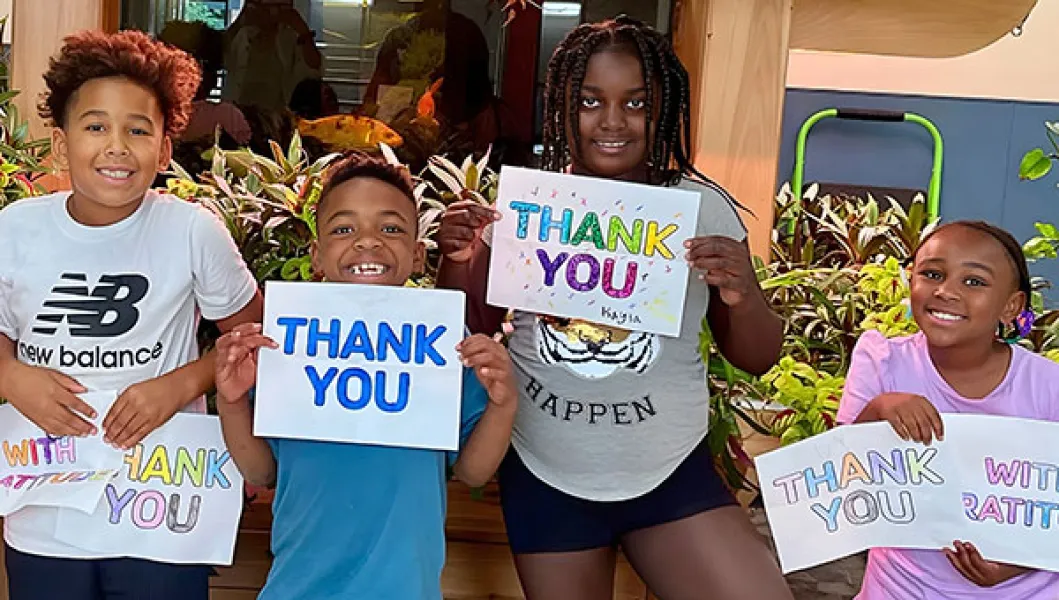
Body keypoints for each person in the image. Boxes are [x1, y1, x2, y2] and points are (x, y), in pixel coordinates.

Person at [434, 16, 795, 600]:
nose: (612, 120)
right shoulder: (529, 209)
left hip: (669, 471)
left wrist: (742, 293)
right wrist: (460, 256)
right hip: (546, 471)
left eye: (636, 103)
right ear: (563, 108)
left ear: (664, 111)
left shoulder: (699, 208)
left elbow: (756, 357)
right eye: (590, 101)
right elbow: (467, 329)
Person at [0, 30, 262, 600]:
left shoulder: (192, 231)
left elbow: (251, 336)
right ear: (61, 139)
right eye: (95, 126)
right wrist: (12, 375)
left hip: (162, 516)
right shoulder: (15, 229)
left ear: (165, 149)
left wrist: (181, 383)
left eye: (138, 130)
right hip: (44, 510)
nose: (116, 146)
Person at [212, 152, 518, 599]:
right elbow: (262, 469)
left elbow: (472, 471)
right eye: (343, 228)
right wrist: (232, 401)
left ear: (417, 256)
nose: (368, 242)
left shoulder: (445, 345)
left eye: (391, 228)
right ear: (317, 256)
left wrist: (503, 401)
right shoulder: (287, 345)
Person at [837, 221, 1059, 599]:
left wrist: (1019, 560)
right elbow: (834, 478)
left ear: (1011, 306)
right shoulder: (883, 361)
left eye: (974, 281)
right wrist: (877, 410)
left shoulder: (1048, 387)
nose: (946, 291)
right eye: (932, 274)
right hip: (899, 588)